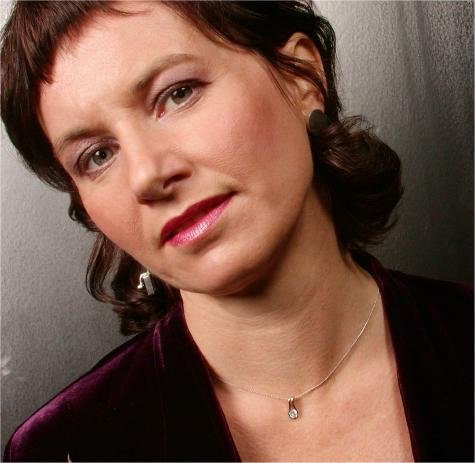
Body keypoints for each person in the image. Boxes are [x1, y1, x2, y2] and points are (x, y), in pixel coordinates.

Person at [1, 1, 472, 461]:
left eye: (178, 93)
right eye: (97, 156)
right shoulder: (62, 449)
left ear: (302, 77)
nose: (146, 175)